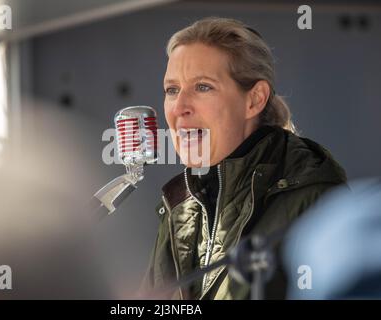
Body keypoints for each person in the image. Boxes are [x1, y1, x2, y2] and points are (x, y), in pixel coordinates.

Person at [141, 17, 347, 300]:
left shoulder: (314, 196)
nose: (179, 107)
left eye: (203, 87)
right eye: (172, 90)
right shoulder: (180, 205)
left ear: (254, 99)